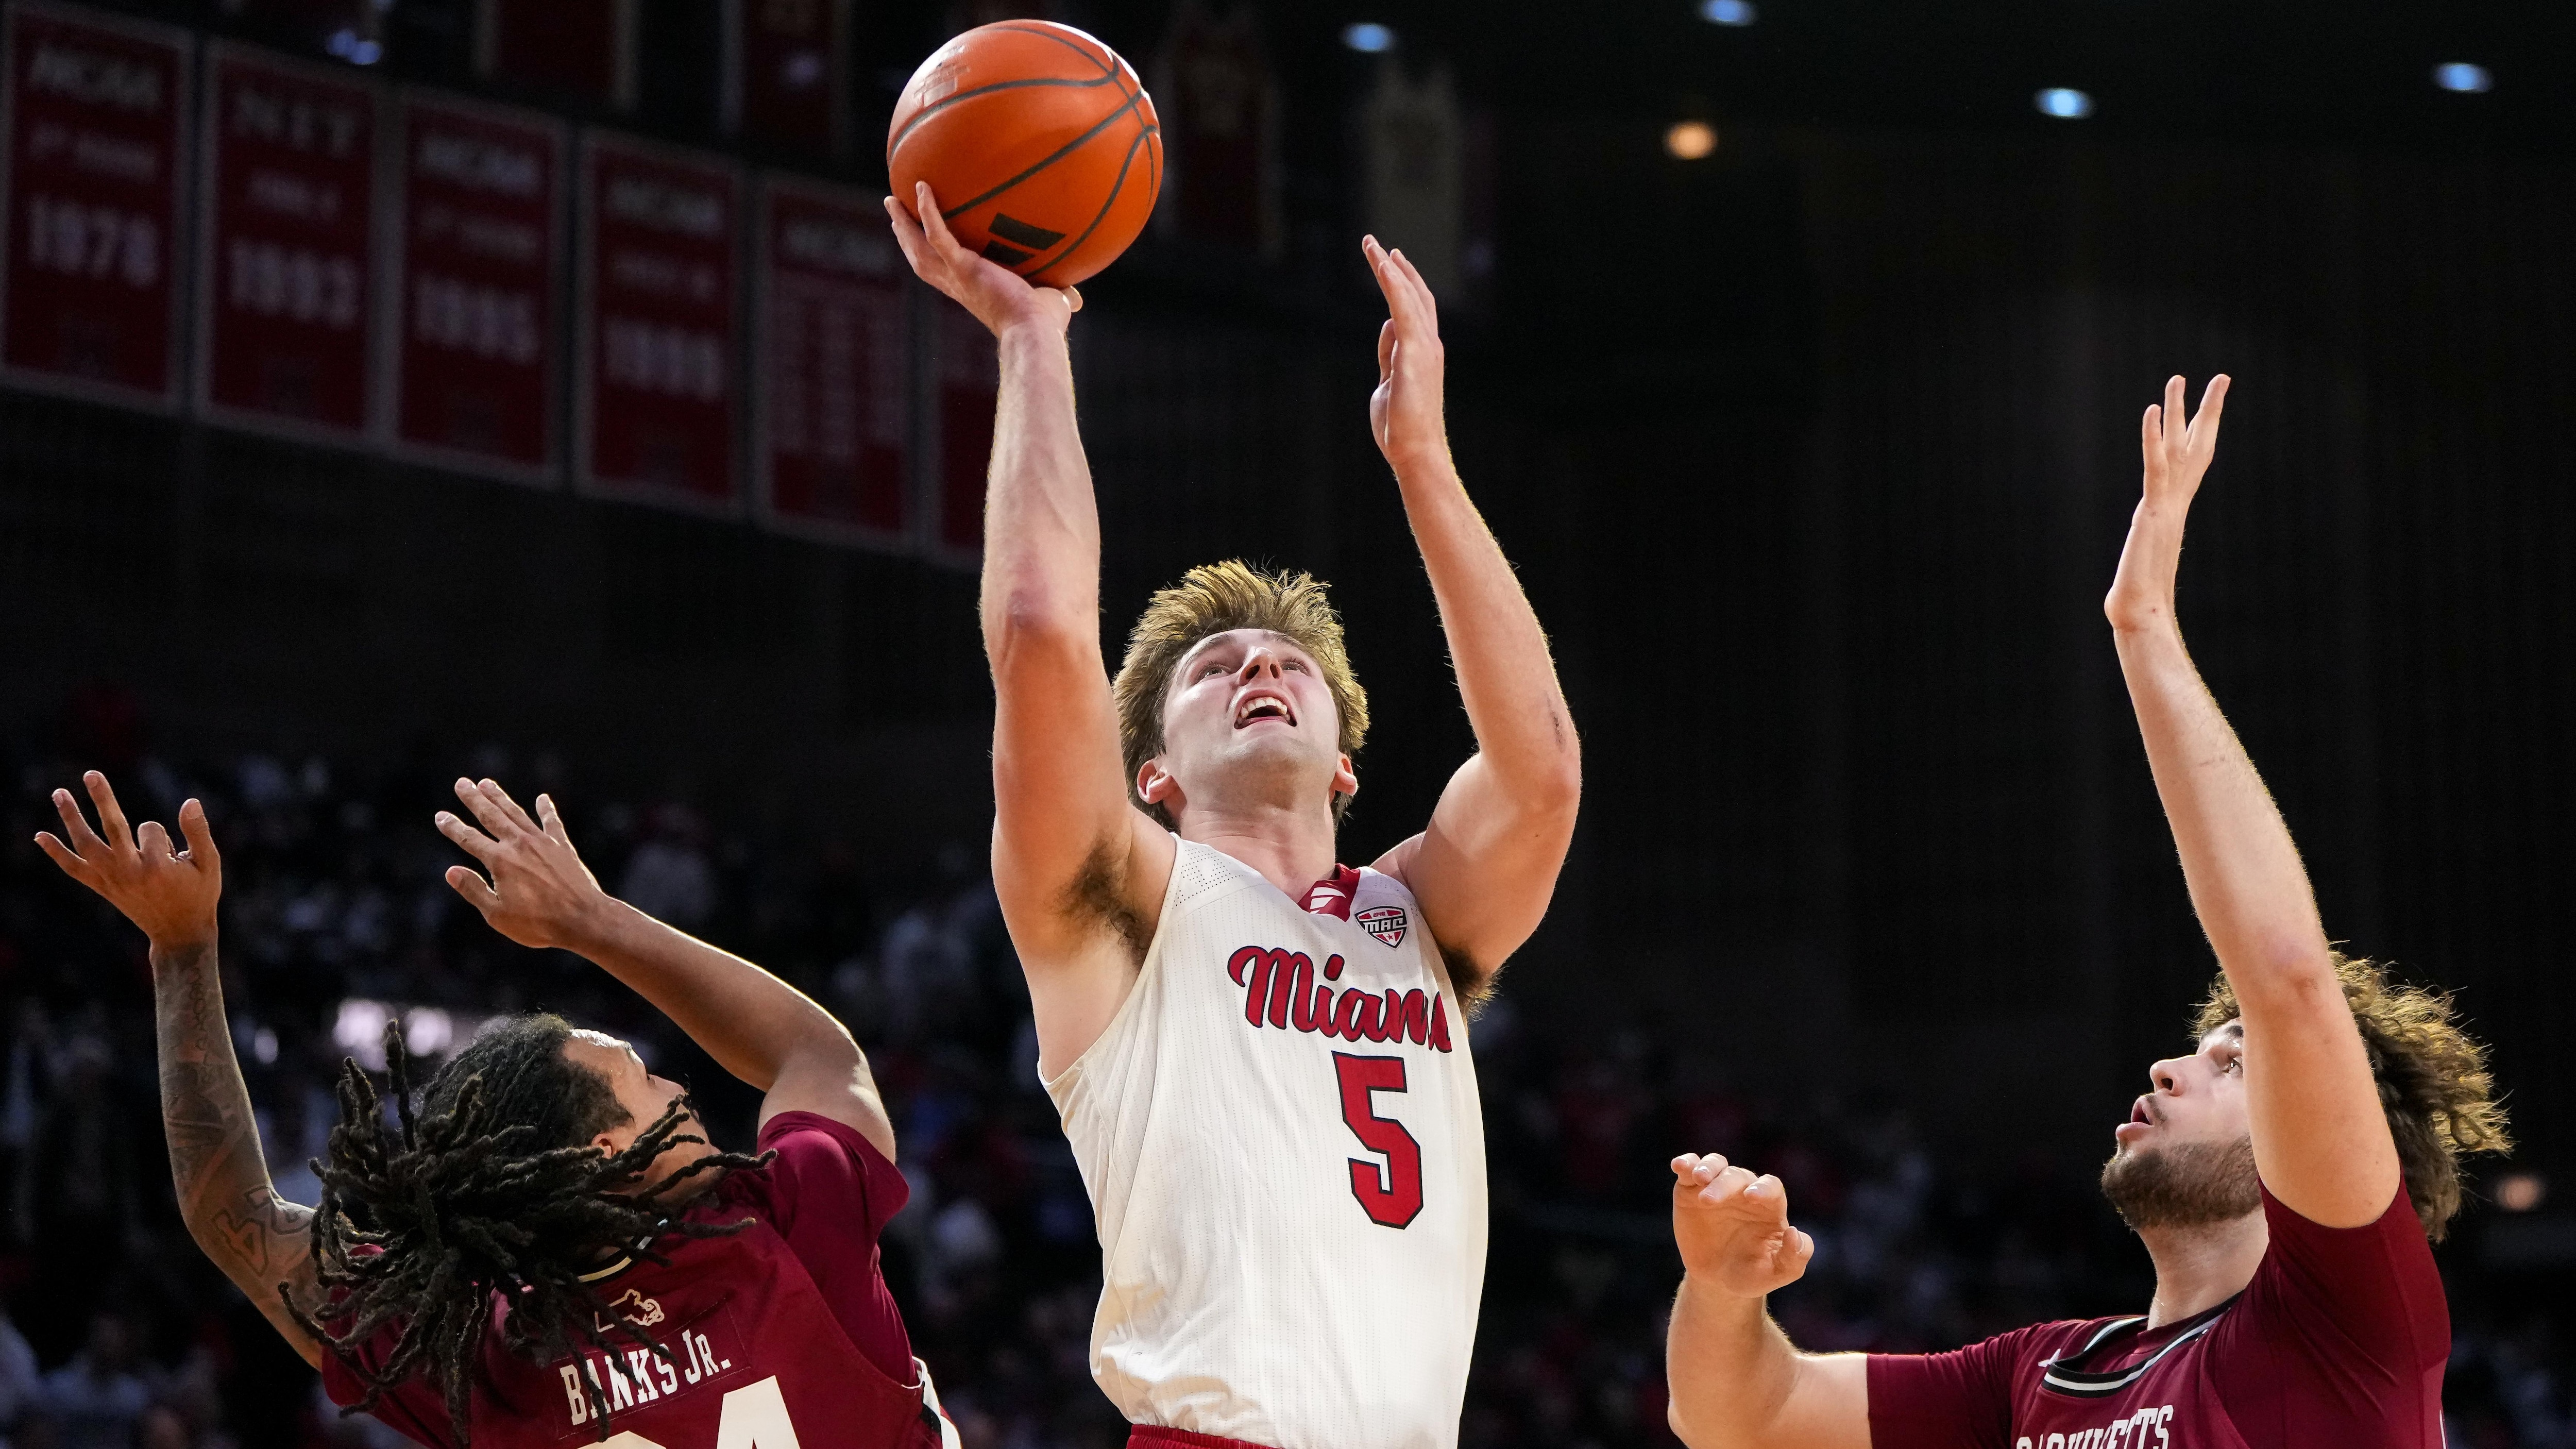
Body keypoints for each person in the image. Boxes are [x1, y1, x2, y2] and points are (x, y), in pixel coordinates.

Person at [1661, 375, 2511, 1449]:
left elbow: (2288, 973)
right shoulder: (2040, 1369)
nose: (2169, 1067)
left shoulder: (2352, 1326)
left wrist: (2144, 624)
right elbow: (1734, 1410)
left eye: (2229, 1063)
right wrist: (1722, 1286)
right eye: (2199, 1051)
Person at [884, 184, 1582, 1449]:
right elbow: (1042, 638)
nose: (1258, 668)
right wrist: (1032, 341)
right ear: (1150, 773)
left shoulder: (1416, 913)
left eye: (1288, 664)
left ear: (1346, 769)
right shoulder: (1121, 908)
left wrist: (1423, 463)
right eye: (1215, 671)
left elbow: (1538, 768)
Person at [35, 773, 957, 1449]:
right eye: (642, 1078)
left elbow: (232, 1216)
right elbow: (818, 1053)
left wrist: (183, 950)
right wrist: (593, 921)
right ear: (609, 1149)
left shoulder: (479, 1349)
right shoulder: (790, 1222)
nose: (679, 1087)